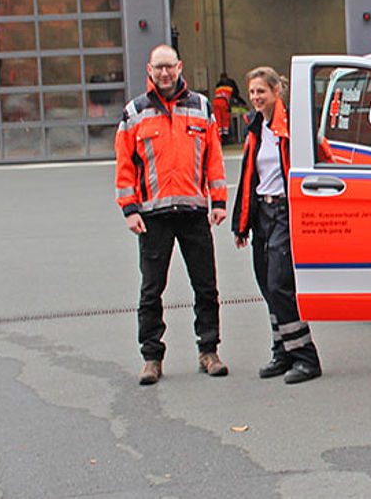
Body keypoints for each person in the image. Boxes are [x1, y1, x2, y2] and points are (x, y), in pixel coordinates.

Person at [115, 44, 229, 385]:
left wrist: (219, 202)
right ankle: (152, 358)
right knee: (151, 291)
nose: (164, 73)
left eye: (169, 67)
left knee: (206, 287)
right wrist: (129, 209)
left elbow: (214, 158)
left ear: (180, 67)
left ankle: (209, 351)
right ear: (149, 70)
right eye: (158, 67)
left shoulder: (201, 107)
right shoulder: (135, 112)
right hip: (153, 216)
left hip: (194, 213)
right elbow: (124, 165)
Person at [231, 66, 322, 384]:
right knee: (267, 285)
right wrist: (241, 224)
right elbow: (248, 176)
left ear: (276, 91)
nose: (256, 97)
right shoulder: (255, 126)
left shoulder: (293, 125)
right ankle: (282, 352)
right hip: (263, 213)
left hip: (285, 210)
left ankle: (305, 357)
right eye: (252, 92)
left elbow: (320, 155)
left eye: (261, 91)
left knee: (280, 283)